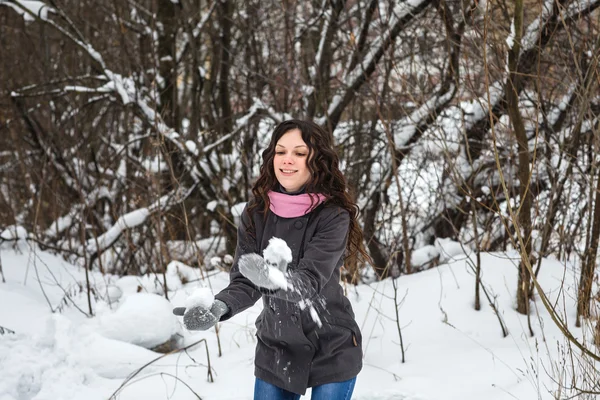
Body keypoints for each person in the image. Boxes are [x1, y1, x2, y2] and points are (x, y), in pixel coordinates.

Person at [178, 119, 370, 400]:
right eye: (280, 151)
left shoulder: (333, 215)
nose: (287, 160)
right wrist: (219, 307)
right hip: (276, 346)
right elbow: (245, 280)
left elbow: (308, 282)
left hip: (331, 345)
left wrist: (272, 278)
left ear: (317, 160)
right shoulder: (256, 212)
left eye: (300, 153)